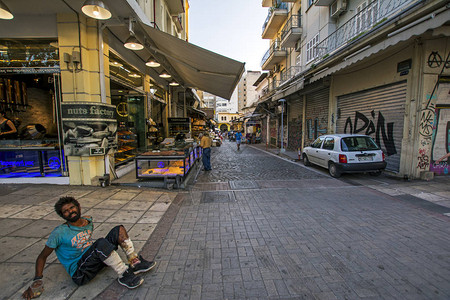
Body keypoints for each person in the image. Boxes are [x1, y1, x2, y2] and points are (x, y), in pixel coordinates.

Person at [22, 196, 155, 299]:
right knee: (100, 243)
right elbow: (42, 257)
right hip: (80, 273)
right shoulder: (59, 233)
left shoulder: (88, 221)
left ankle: (134, 262)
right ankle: (123, 274)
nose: (70, 212)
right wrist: (37, 280)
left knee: (118, 229)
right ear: (62, 216)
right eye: (66, 212)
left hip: (94, 260)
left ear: (78, 207)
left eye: (72, 208)